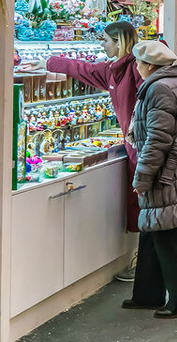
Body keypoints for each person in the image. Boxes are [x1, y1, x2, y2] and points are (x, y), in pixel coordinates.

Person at [42, 20, 144, 279]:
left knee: (146, 203)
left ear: (119, 42)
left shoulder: (138, 68)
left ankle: (147, 268)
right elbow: (83, 68)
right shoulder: (113, 70)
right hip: (134, 145)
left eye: (105, 40)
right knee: (143, 202)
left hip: (143, 145)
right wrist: (49, 62)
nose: (102, 45)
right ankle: (145, 265)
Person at [123, 41, 177, 319]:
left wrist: (143, 176)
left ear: (150, 65)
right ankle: (147, 294)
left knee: (166, 235)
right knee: (154, 232)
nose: (136, 67)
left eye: (138, 62)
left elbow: (158, 140)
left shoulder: (158, 88)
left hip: (168, 172)